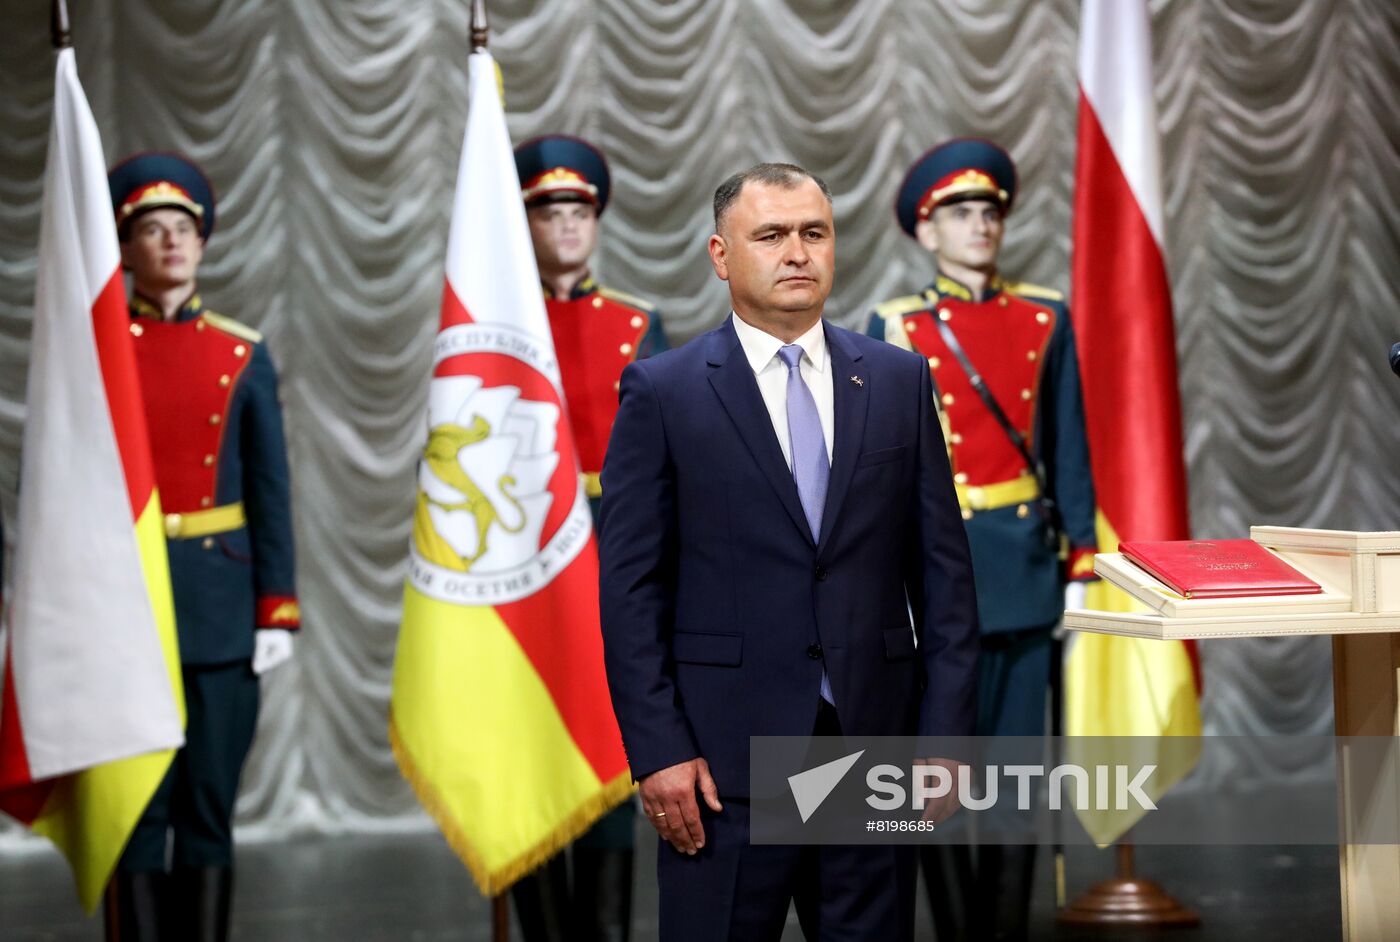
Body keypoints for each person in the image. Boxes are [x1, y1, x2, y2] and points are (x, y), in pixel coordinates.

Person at [598, 163, 979, 940]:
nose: (797, 252)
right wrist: (658, 750)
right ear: (720, 254)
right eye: (770, 235)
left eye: (814, 233)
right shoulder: (664, 392)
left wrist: (946, 736)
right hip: (721, 766)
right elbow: (630, 591)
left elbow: (944, 576)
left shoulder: (900, 380)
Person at [867, 138, 1099, 941]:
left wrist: (1081, 560)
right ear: (926, 233)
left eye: (989, 211)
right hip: (933, 577)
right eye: (960, 213)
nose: (979, 225)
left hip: (1025, 567)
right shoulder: (894, 327)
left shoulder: (1045, 316)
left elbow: (1068, 446)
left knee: (1015, 779)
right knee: (931, 776)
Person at [105, 152, 299, 942]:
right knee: (139, 811)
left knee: (209, 806)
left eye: (182, 228)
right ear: (127, 249)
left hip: (220, 612)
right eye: (151, 229)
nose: (170, 242)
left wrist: (274, 610)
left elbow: (271, 495)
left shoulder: (241, 354)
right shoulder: (99, 355)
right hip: (123, 608)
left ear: (203, 242)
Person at [508, 135, 668, 942]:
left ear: (597, 221)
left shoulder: (638, 325)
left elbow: (676, 469)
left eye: (578, 209)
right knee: (531, 763)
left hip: (613, 564)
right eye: (547, 211)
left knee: (607, 754)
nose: (566, 225)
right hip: (522, 570)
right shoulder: (495, 324)